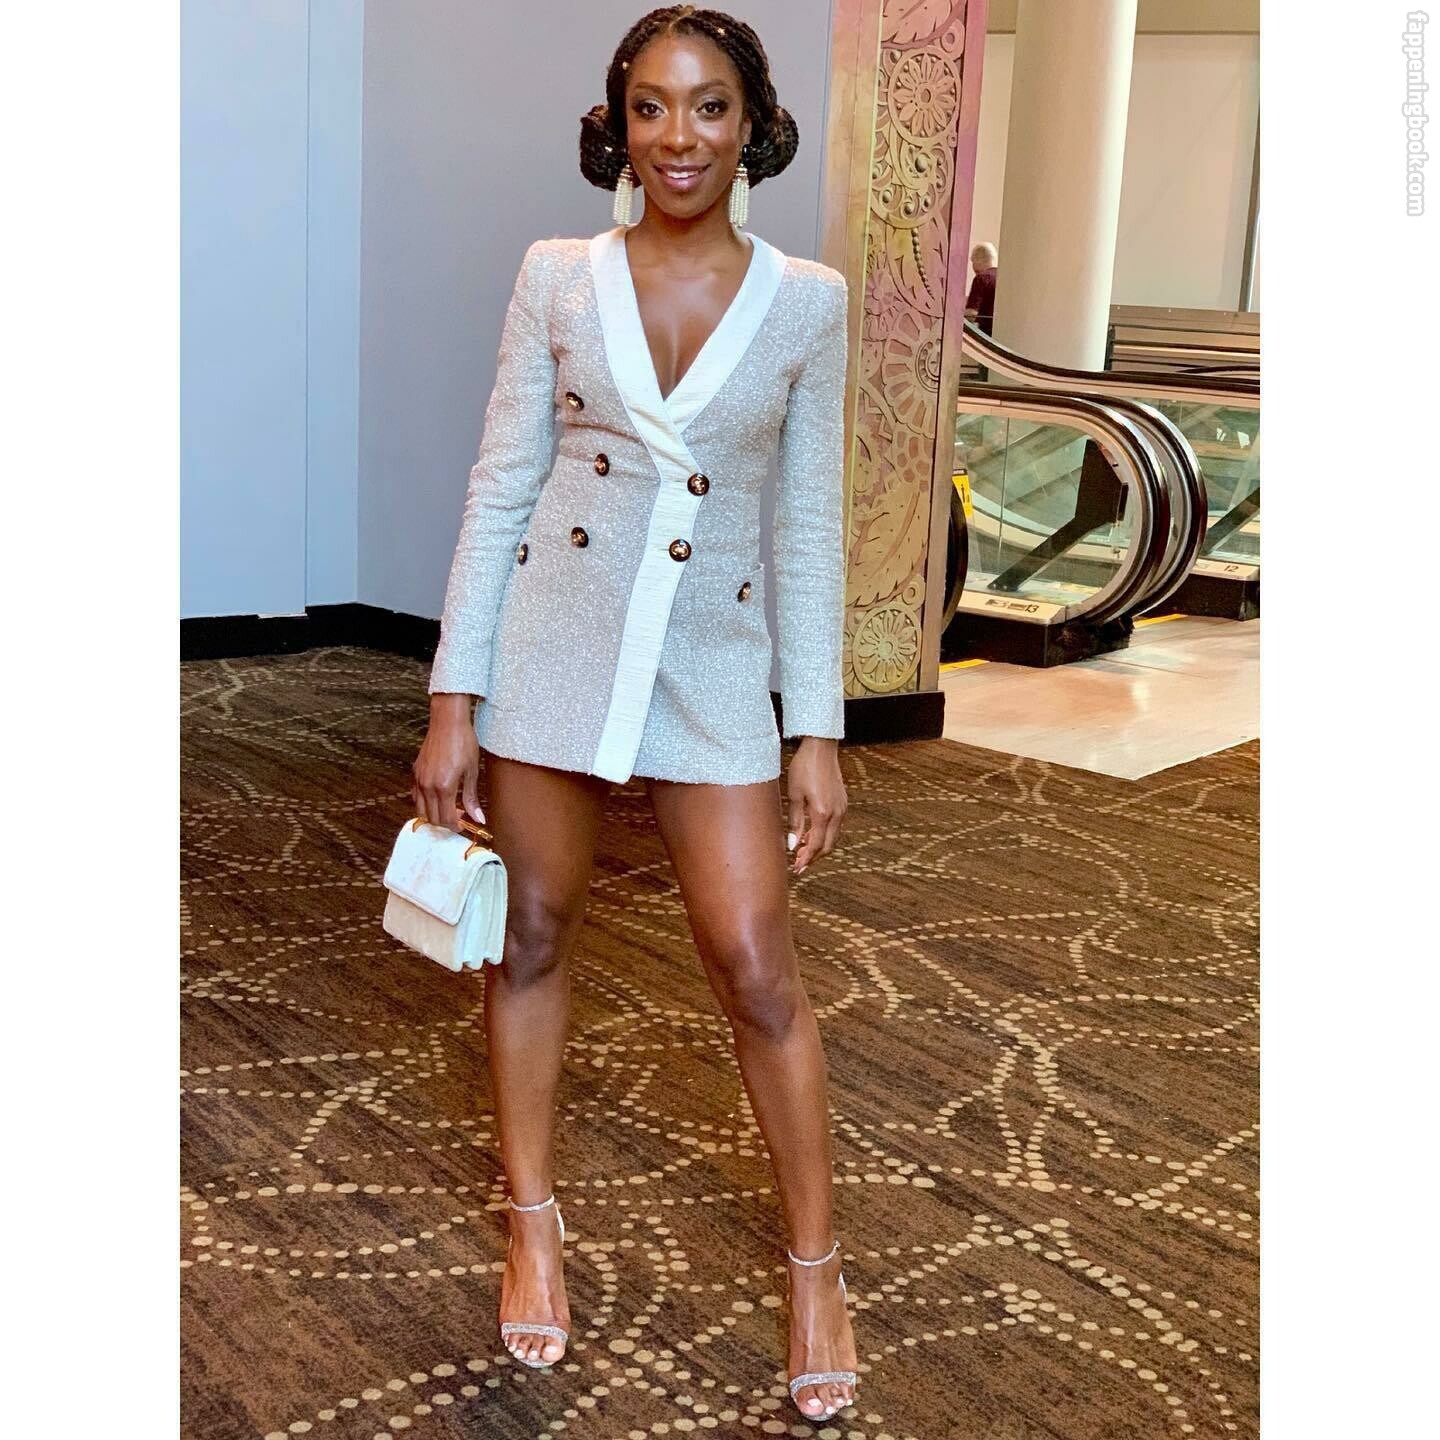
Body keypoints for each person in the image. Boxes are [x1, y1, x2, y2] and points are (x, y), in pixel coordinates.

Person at [411, 6, 857, 1423]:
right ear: (618, 126)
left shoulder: (808, 301)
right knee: (534, 934)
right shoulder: (558, 276)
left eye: (710, 106)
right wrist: (454, 697)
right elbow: (501, 484)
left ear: (753, 125)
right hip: (556, 645)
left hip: (714, 661)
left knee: (756, 964)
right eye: (651, 107)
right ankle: (533, 1224)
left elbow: (807, 526)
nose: (679, 137)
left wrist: (817, 727)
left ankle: (817, 1264)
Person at [964, 240, 998, 335]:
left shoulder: (981, 278)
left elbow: (971, 314)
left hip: (985, 334)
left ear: (978, 259)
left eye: (973, 261)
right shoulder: (1003, 277)